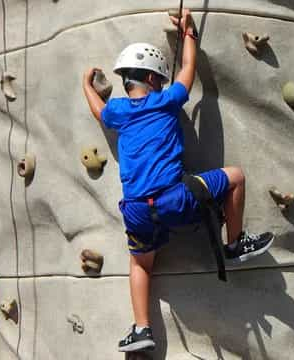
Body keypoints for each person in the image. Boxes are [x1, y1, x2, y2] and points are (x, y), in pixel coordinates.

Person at [82, 9, 274, 353]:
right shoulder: (167, 100)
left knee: (141, 263)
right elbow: (187, 71)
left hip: (138, 209)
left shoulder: (119, 112)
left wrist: (86, 85)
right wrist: (189, 33)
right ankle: (234, 244)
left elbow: (99, 110)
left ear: (127, 82)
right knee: (236, 176)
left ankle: (142, 328)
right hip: (175, 198)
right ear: (155, 79)